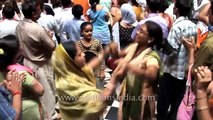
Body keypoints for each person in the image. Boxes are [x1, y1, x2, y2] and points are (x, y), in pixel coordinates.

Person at [52, 41, 127, 120]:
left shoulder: (69, 72)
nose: (83, 54)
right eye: (79, 54)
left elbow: (89, 67)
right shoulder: (69, 85)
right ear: (70, 61)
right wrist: (115, 78)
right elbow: (98, 102)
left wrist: (106, 52)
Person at [157, 0, 197, 119]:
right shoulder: (194, 26)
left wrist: (161, 42)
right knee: (177, 104)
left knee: (163, 105)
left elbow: (170, 51)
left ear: (177, 10)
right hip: (183, 72)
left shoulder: (177, 27)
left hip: (171, 71)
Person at [16, 0, 56, 119]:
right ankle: (50, 116)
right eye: (39, 11)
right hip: (41, 64)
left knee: (35, 94)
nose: (41, 13)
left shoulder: (19, 25)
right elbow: (52, 46)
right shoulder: (37, 29)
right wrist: (49, 36)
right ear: (33, 13)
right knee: (47, 93)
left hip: (27, 62)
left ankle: (42, 114)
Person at [116, 20, 162, 120]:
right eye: (138, 30)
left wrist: (131, 68)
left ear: (150, 39)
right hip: (128, 94)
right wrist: (113, 50)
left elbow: (152, 75)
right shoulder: (134, 47)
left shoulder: (151, 58)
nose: (137, 32)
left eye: (141, 31)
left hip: (141, 100)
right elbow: (120, 54)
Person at [0, 35, 45, 119]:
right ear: (16, 53)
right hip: (27, 110)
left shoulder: (2, 70)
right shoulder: (19, 73)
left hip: (8, 107)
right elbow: (40, 90)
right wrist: (35, 79)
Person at [76, 22, 105, 88]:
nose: (89, 33)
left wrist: (102, 71)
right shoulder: (78, 44)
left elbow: (102, 56)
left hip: (96, 71)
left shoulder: (96, 42)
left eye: (91, 31)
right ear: (82, 32)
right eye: (86, 31)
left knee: (98, 89)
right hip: (84, 72)